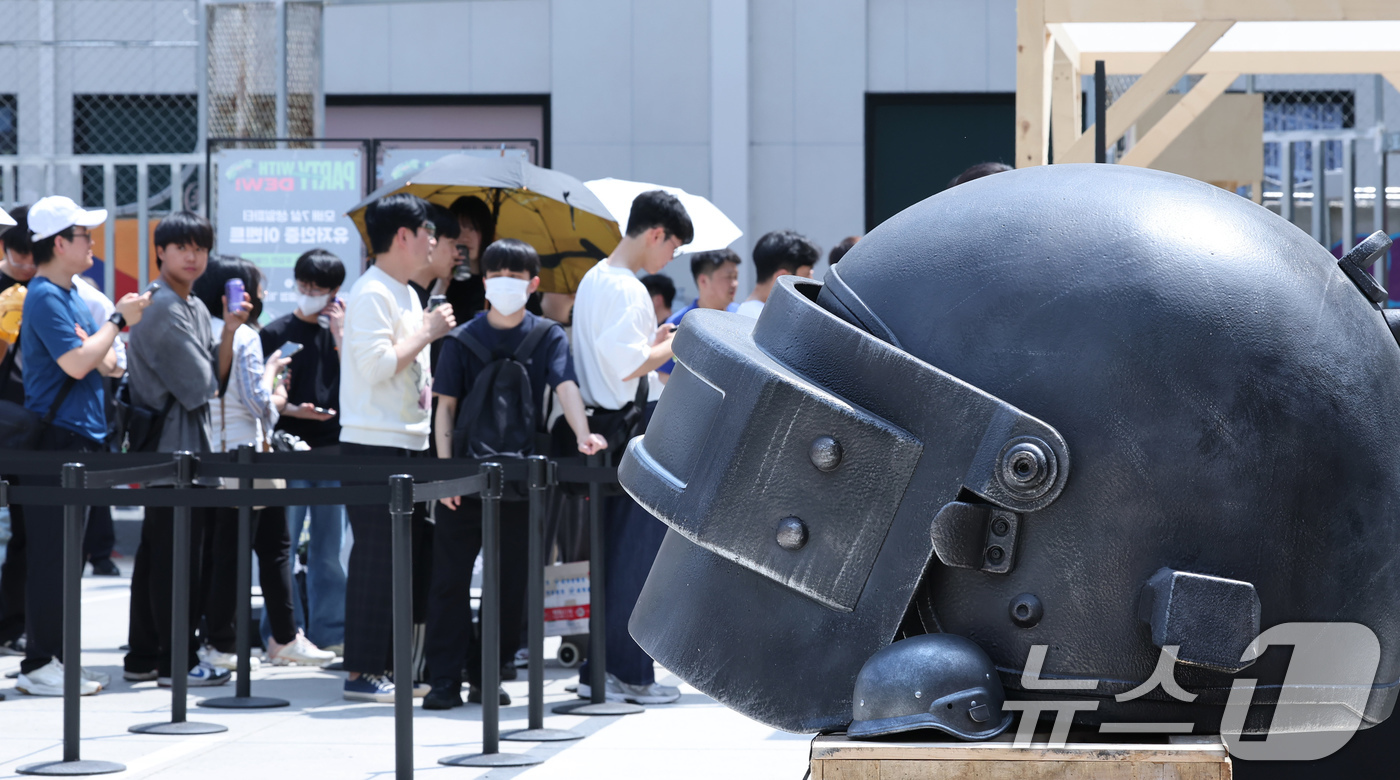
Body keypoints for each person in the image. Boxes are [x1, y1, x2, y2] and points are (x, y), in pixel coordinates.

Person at [423, 239, 607, 710]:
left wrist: (584, 434)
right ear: (485, 282)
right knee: (450, 581)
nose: (505, 282)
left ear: (534, 283)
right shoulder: (463, 339)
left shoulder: (548, 336)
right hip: (469, 478)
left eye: (515, 274)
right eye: (497, 273)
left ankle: (487, 675)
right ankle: (444, 678)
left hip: (520, 477)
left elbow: (567, 387)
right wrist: (445, 475)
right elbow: (444, 409)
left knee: (508, 586)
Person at [14, 195, 150, 696]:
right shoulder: (46, 295)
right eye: (83, 235)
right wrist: (116, 321)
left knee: (68, 556)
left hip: (83, 437)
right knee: (53, 555)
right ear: (58, 243)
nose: (91, 243)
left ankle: (60, 659)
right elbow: (80, 362)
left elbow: (106, 360)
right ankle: (39, 664)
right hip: (58, 441)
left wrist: (101, 342)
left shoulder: (68, 292)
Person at [570, 189, 692, 704]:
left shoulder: (595, 280)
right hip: (631, 426)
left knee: (611, 555)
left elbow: (620, 358)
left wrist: (654, 342)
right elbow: (628, 366)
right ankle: (631, 674)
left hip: (603, 425)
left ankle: (601, 671)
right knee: (634, 558)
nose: (670, 259)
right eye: (673, 247)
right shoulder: (626, 289)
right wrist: (679, 340)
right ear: (656, 234)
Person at [339, 193, 455, 702]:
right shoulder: (372, 292)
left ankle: (388, 666)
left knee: (402, 559)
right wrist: (428, 332)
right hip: (372, 443)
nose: (434, 241)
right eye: (427, 231)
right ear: (402, 236)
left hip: (405, 440)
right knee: (376, 560)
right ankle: (362, 672)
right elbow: (374, 365)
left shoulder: (404, 292)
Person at [193, 256, 336, 669]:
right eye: (256, 286)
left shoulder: (205, 329)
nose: (261, 295)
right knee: (250, 550)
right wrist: (274, 381)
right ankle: (231, 640)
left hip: (223, 452)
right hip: (249, 452)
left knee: (264, 546)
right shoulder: (245, 337)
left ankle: (281, 636)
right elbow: (259, 405)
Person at [123, 210, 240, 689]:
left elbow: (216, 378)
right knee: (176, 562)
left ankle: (145, 656)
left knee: (159, 556)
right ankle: (176, 661)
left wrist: (230, 329)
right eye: (182, 247)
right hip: (171, 454)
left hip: (184, 451)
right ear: (160, 252)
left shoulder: (189, 304)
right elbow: (201, 385)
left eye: (201, 247)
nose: (193, 256)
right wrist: (217, 354)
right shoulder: (162, 307)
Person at [259, 248, 347, 654]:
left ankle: (331, 631)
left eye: (319, 288)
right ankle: (279, 633)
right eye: (304, 285)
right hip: (287, 450)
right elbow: (262, 395)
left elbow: (358, 381)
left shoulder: (340, 334)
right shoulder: (276, 333)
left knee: (329, 552)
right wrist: (296, 411)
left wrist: (342, 334)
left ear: (335, 292)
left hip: (333, 450)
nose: (309, 294)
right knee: (283, 548)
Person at [656, 249, 741, 384]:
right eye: (729, 277)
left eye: (736, 277)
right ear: (703, 280)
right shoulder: (681, 322)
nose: (734, 284)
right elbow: (664, 376)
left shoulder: (741, 316)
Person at [735, 230, 820, 320]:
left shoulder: (748, 314)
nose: (811, 280)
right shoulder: (762, 321)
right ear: (782, 277)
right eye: (807, 275)